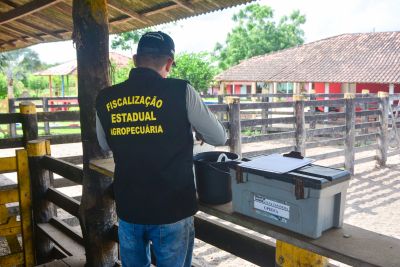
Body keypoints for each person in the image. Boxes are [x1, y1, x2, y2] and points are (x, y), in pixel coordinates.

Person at [95, 31, 227, 267]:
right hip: (173, 208)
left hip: (130, 207)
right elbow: (218, 136)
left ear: (136, 60)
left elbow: (105, 144)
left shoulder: (106, 98)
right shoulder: (180, 91)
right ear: (169, 63)